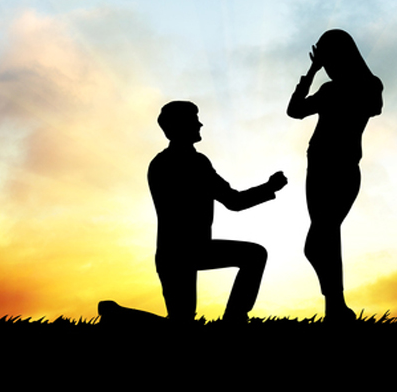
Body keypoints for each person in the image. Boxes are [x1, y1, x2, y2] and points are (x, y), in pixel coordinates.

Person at [148, 100, 287, 324]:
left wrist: (268, 189)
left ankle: (116, 314)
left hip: (173, 254)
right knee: (254, 255)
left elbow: (233, 201)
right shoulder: (193, 163)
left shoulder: (163, 162)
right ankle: (235, 318)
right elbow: (234, 201)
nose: (200, 125)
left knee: (180, 321)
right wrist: (269, 188)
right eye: (194, 121)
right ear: (179, 126)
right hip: (188, 251)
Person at [287, 29, 383, 323]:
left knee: (318, 241)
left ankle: (337, 305)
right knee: (327, 237)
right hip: (321, 168)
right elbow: (294, 111)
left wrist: (315, 75)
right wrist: (313, 73)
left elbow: (295, 110)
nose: (325, 63)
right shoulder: (342, 88)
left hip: (337, 169)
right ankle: (336, 308)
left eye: (327, 57)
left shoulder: (351, 88)